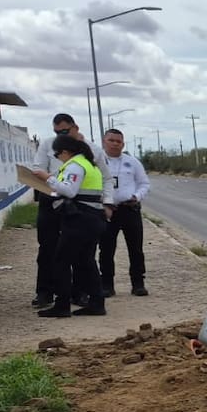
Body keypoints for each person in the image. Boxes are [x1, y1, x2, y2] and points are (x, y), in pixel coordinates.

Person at [29, 114, 112, 308]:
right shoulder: (47, 144)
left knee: (80, 253)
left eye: (64, 131)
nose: (60, 135)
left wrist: (108, 203)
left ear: (75, 127)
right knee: (48, 249)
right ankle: (45, 292)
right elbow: (37, 168)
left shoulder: (91, 152)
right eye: (57, 132)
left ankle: (78, 293)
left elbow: (106, 178)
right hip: (51, 201)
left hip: (77, 206)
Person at [98, 129, 151, 297]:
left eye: (118, 141)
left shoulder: (132, 162)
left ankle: (138, 284)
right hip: (107, 211)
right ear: (104, 141)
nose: (115, 144)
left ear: (123, 144)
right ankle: (107, 284)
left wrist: (137, 196)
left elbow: (144, 183)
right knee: (106, 249)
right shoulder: (97, 162)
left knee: (135, 249)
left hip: (129, 209)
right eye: (111, 140)